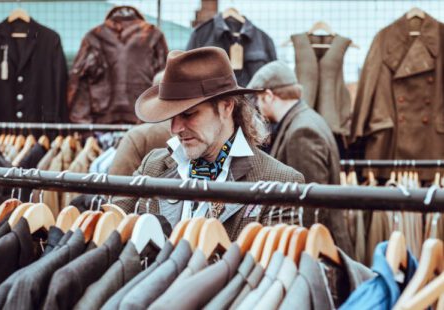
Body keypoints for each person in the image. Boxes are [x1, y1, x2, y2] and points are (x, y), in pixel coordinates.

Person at [115, 47, 304, 240]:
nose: (175, 128)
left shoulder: (279, 182)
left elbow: (273, 266)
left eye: (188, 114)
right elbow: (110, 226)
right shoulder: (153, 166)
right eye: (171, 117)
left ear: (226, 107)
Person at [247, 60, 353, 256]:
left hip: (317, 250)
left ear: (269, 96)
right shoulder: (306, 119)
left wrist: (300, 256)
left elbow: (310, 207)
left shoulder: (301, 132)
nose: (258, 106)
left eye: (259, 98)